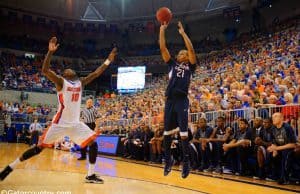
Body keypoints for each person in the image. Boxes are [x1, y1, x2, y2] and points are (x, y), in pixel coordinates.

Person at [0, 37, 117, 184]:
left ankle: (90, 175)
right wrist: (50, 52)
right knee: (38, 149)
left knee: (93, 144)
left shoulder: (80, 82)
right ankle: (10, 167)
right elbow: (44, 70)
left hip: (75, 124)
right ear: (64, 75)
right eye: (66, 69)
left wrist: (108, 60)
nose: (68, 68)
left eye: (70, 68)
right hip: (60, 123)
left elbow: (96, 73)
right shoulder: (61, 82)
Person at [159, 21, 196, 178]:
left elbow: (191, 49)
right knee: (167, 133)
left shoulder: (191, 67)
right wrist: (162, 30)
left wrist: (182, 33)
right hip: (170, 100)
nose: (182, 55)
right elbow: (163, 48)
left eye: (184, 54)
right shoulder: (172, 65)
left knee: (183, 133)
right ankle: (168, 160)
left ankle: (186, 163)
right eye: (180, 54)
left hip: (181, 100)